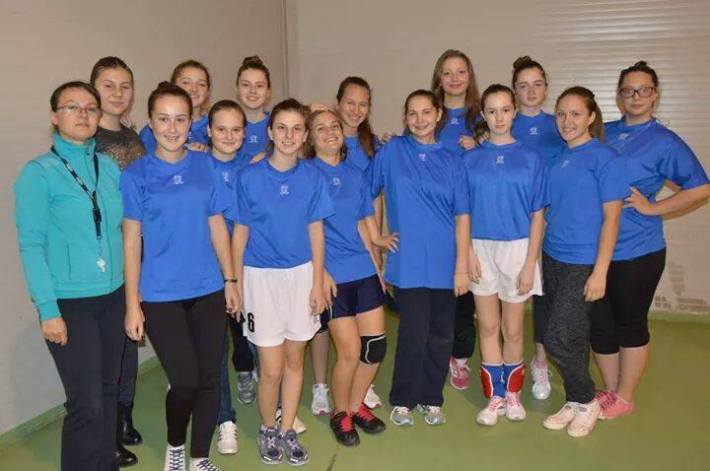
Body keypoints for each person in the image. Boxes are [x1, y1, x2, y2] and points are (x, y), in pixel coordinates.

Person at [122, 83, 238, 471]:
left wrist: (231, 280)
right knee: (186, 380)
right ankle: (176, 446)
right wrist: (132, 304)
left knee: (210, 379)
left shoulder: (206, 165)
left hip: (208, 289)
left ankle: (200, 456)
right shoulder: (136, 174)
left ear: (191, 123)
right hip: (160, 294)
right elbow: (131, 241)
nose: (172, 128)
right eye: (163, 119)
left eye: (180, 119)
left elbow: (217, 225)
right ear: (151, 122)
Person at [14, 81, 125, 471]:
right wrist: (48, 309)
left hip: (114, 296)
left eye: (91, 108)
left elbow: (125, 230)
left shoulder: (108, 167)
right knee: (86, 403)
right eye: (72, 107)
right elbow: (31, 245)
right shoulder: (38, 174)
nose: (83, 114)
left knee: (108, 392)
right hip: (70, 303)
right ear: (54, 116)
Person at [591, 61, 710, 419]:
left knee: (629, 323)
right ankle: (611, 390)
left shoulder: (664, 141)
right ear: (619, 96)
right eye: (628, 90)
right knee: (600, 325)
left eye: (644, 90)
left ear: (655, 94)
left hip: (637, 251)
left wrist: (653, 207)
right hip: (595, 250)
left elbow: (700, 188)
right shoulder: (604, 132)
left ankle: (625, 397)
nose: (636, 97)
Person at [229, 99, 333, 465]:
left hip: (301, 277)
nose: (289, 135)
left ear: (305, 136)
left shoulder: (313, 177)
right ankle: (268, 428)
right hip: (260, 280)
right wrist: (235, 282)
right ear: (270, 133)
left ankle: (287, 429)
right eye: (282, 128)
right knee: (271, 369)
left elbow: (316, 231)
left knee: (294, 361)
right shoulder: (249, 177)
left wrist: (317, 282)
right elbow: (240, 233)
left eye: (296, 129)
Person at [369, 90, 470, 427]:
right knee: (413, 331)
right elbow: (364, 193)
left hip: (445, 262)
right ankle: (403, 399)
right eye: (412, 113)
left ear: (438, 114)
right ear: (405, 117)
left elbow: (463, 216)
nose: (419, 119)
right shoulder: (392, 151)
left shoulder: (453, 160)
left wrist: (461, 267)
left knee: (441, 335)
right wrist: (376, 237)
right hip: (408, 261)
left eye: (426, 112)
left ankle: (431, 398)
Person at [541, 86, 626, 438]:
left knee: (558, 335)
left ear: (591, 117)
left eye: (575, 114)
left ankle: (588, 399)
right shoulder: (557, 157)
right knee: (570, 335)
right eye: (561, 114)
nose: (567, 121)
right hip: (552, 256)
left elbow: (612, 218)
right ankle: (575, 399)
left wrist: (600, 271)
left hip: (583, 262)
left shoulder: (605, 158)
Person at [463, 84, 547, 426]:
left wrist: (530, 263)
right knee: (487, 326)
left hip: (518, 249)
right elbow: (463, 213)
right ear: (484, 115)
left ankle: (513, 394)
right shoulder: (470, 160)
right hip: (480, 247)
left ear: (514, 112)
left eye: (506, 110)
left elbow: (538, 215)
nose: (499, 117)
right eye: (492, 111)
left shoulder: (531, 158)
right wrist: (468, 253)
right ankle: (494, 396)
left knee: (513, 330)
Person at [303, 109, 388, 446]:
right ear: (310, 138)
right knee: (350, 353)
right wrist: (319, 273)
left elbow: (364, 224)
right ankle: (340, 414)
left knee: (375, 348)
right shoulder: (306, 175)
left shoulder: (354, 174)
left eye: (334, 126)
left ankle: (355, 406)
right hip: (332, 277)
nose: (329, 132)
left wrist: (377, 270)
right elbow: (301, 230)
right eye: (320, 128)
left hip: (362, 271)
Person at [90, 55, 145, 468]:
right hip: (104, 258)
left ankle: (124, 415)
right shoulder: (86, 140)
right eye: (108, 85)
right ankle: (104, 430)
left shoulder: (133, 137)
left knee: (129, 343)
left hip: (137, 252)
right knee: (107, 351)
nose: (118, 93)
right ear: (94, 89)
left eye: (125, 85)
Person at [509, 56, 565, 401]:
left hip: (551, 223)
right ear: (514, 91)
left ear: (546, 88)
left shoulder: (560, 124)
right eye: (523, 85)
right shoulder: (502, 122)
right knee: (508, 299)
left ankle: (540, 361)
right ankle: (506, 363)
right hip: (509, 227)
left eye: (537, 84)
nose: (531, 91)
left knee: (545, 297)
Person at [205, 100, 254, 456]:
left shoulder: (253, 167)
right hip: (207, 272)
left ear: (245, 133)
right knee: (216, 349)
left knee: (257, 339)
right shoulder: (196, 165)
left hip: (251, 267)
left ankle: (274, 406)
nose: (228, 136)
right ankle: (225, 419)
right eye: (221, 129)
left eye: (236, 129)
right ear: (208, 131)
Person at [430, 49, 481, 390]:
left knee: (465, 295)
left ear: (469, 76)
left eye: (460, 72)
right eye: (447, 72)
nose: (454, 79)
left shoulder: (481, 116)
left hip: (473, 219)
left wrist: (479, 146)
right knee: (437, 293)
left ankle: (460, 358)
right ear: (439, 78)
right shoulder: (430, 115)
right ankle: (436, 351)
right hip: (435, 220)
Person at [139, 60, 211, 154]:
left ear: (208, 91)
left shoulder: (215, 126)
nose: (194, 89)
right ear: (173, 86)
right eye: (186, 82)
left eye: (201, 84)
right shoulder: (152, 130)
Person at [235, 56, 272, 160]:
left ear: (268, 91)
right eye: (246, 85)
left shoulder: (278, 123)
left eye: (259, 85)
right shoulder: (223, 123)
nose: (253, 91)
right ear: (237, 89)